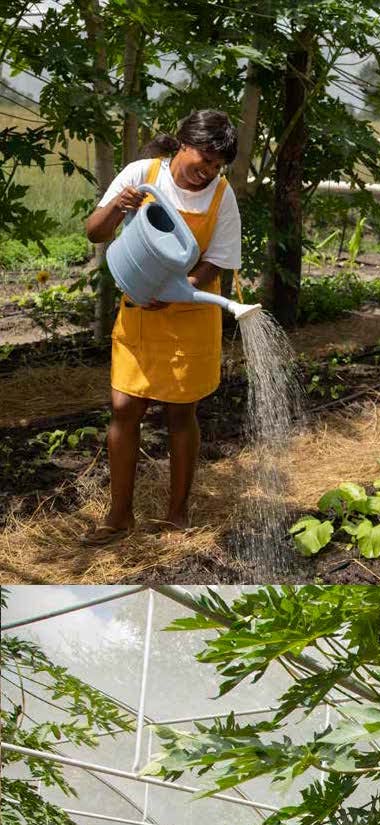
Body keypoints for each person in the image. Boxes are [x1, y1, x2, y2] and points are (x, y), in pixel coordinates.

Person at [83, 109, 242, 545]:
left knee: (180, 412)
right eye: (203, 159)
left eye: (216, 166)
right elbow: (95, 233)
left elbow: (218, 261)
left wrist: (179, 288)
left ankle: (177, 515)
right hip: (138, 309)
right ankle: (119, 517)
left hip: (187, 314)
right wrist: (120, 205)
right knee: (123, 408)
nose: (207, 172)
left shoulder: (221, 196)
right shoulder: (142, 173)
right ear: (183, 145)